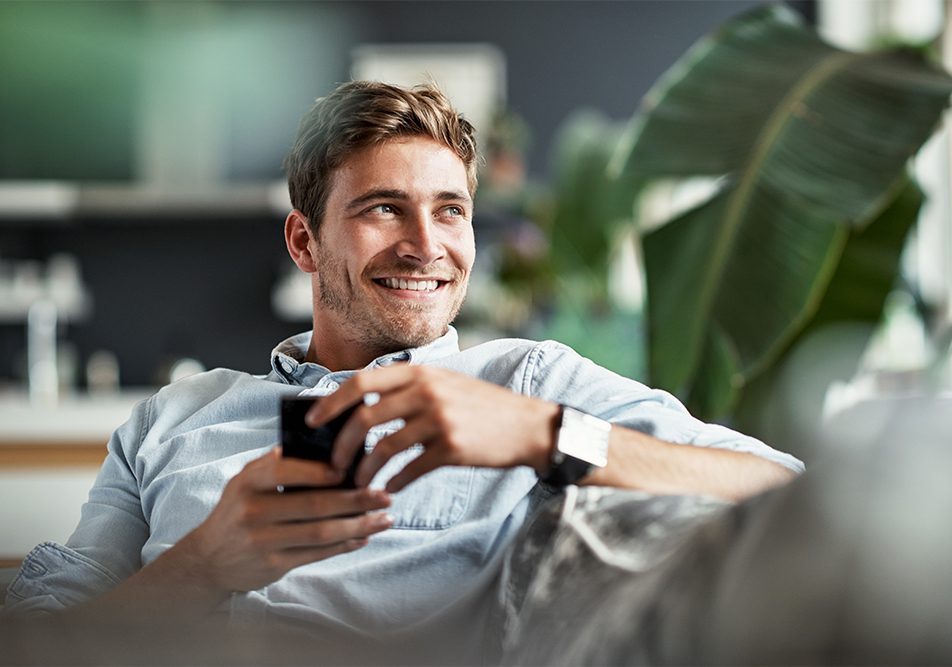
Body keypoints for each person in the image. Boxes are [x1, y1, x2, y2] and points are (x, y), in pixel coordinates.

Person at [1, 81, 802, 664]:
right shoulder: (168, 418)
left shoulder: (525, 378)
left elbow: (780, 483)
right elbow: (45, 637)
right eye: (384, 207)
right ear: (304, 242)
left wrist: (546, 432)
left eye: (451, 209)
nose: (428, 243)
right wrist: (203, 563)